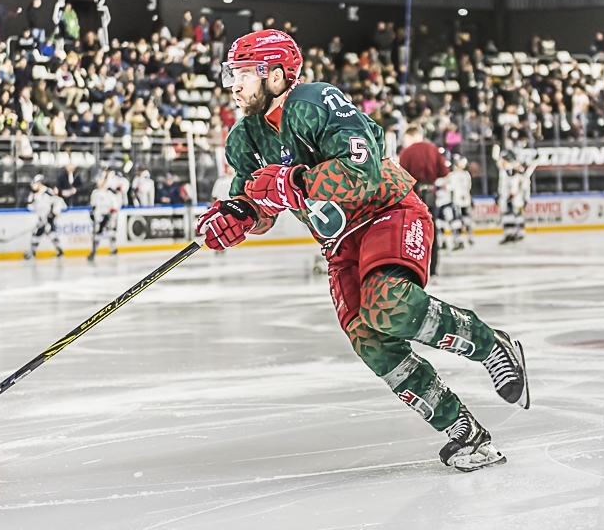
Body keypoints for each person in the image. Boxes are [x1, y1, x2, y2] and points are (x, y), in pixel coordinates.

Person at [195, 30, 530, 472]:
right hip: (339, 243)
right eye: (231, 74)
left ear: (276, 75)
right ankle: (463, 432)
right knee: (370, 340)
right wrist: (231, 219)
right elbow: (255, 204)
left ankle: (489, 346)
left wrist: (294, 183)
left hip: (386, 212)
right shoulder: (243, 138)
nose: (234, 85)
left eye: (244, 74)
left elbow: (362, 171)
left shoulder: (316, 101)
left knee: (389, 306)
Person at [398, 125, 449, 276]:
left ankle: (414, 269)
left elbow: (401, 176)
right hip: (431, 195)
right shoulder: (433, 149)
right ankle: (432, 270)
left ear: (410, 136)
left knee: (411, 233)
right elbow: (444, 172)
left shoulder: (406, 152)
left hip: (413, 196)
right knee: (432, 233)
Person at [497, 148, 535, 244]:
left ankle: (513, 234)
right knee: (512, 215)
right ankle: (514, 233)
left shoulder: (511, 169)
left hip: (513, 196)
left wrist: (513, 194)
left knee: (513, 215)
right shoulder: (508, 169)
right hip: (510, 196)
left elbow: (517, 183)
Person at [24, 175, 65, 260]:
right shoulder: (36, 195)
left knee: (46, 234)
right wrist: (31, 198)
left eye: (35, 183)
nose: (33, 185)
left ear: (39, 183)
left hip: (48, 218)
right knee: (43, 234)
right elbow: (30, 207)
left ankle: (33, 252)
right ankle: (59, 251)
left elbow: (58, 202)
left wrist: (54, 213)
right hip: (42, 219)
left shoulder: (48, 192)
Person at [88, 172, 119, 261]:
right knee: (96, 235)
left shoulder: (110, 192)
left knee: (111, 233)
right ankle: (94, 251)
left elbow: (114, 205)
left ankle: (113, 249)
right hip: (98, 216)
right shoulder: (95, 193)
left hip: (108, 216)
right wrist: (92, 214)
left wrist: (111, 214)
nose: (98, 181)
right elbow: (93, 206)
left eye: (100, 179)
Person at [447, 155, 474, 248]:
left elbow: (468, 187)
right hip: (456, 201)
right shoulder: (452, 175)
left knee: (467, 220)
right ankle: (458, 240)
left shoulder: (466, 174)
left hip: (465, 201)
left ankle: (470, 238)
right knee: (456, 222)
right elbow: (450, 187)